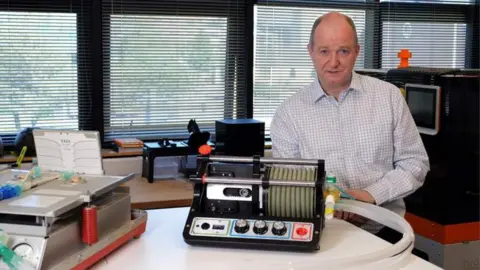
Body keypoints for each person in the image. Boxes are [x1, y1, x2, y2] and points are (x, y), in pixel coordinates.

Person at [269, 11, 430, 242]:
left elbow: (415, 163)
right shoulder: (288, 114)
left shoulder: (390, 98)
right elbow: (289, 184)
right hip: (321, 235)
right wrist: (329, 201)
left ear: (357, 51)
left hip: (385, 233)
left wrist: (370, 196)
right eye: (324, 51)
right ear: (311, 52)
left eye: (343, 51)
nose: (333, 62)